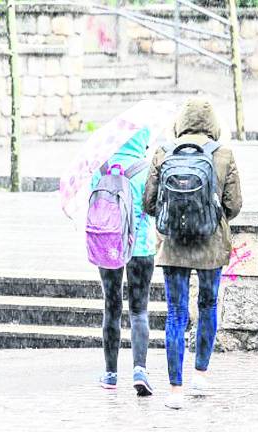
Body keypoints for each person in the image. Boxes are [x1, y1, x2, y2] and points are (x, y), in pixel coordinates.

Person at [143, 98, 242, 410]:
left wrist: (178, 216)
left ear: (181, 122)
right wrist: (207, 215)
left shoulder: (163, 152)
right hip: (211, 244)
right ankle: (200, 372)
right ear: (212, 124)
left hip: (174, 246)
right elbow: (234, 205)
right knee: (208, 304)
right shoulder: (223, 154)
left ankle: (175, 390)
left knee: (175, 312)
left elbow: (149, 204)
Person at [92, 131, 156, 396]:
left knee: (112, 307)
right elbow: (153, 207)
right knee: (139, 310)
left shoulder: (101, 168)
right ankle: (139, 369)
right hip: (140, 247)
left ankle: (110, 374)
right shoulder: (145, 168)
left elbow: (93, 204)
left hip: (108, 246)